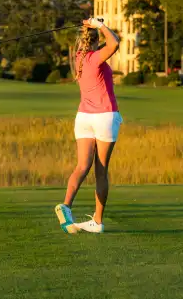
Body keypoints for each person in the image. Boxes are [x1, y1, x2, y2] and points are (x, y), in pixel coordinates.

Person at [55, 17, 121, 234]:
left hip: (83, 117)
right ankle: (97, 221)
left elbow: (106, 45)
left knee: (82, 166)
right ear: (94, 41)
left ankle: (66, 205)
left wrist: (93, 27)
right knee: (101, 171)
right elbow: (114, 44)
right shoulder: (95, 59)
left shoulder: (80, 58)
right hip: (104, 117)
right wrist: (101, 26)